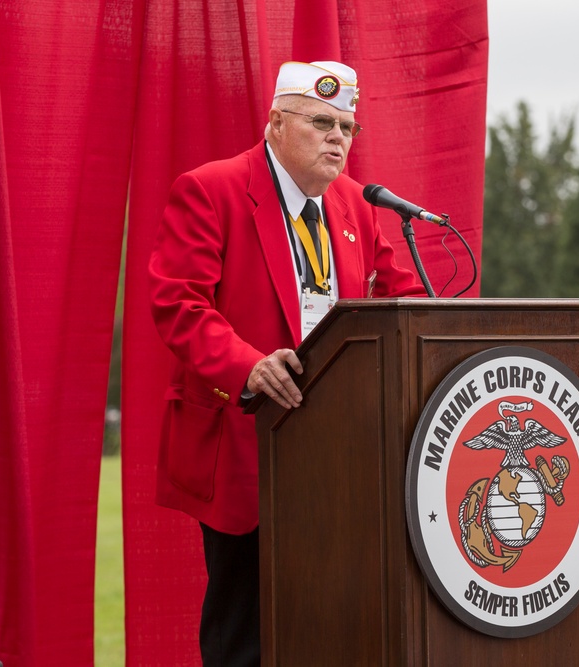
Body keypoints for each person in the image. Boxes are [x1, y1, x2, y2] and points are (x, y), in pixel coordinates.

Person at [148, 60, 424, 666]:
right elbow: (177, 302)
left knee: (332, 621)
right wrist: (246, 365)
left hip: (345, 453)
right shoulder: (212, 188)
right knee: (244, 629)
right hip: (245, 435)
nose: (337, 139)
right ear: (275, 123)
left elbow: (402, 303)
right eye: (321, 122)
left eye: (348, 128)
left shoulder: (357, 203)